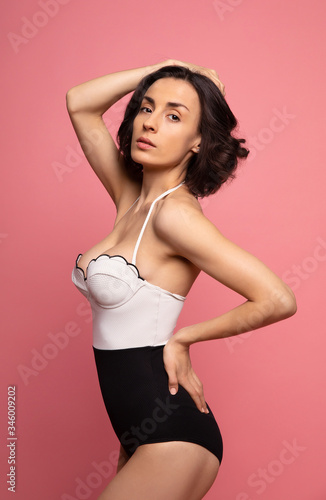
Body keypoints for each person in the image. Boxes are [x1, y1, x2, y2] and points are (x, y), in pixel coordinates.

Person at [67, 59, 297, 500]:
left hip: (173, 436)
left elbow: (277, 298)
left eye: (174, 116)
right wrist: (165, 70)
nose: (150, 123)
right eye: (146, 108)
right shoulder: (131, 198)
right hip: (141, 435)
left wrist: (183, 339)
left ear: (197, 142)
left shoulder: (176, 216)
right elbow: (79, 103)